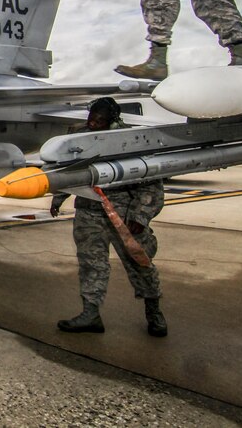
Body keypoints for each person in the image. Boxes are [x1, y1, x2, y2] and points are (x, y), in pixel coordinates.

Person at [50, 97, 168, 337]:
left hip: (124, 217)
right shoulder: (81, 139)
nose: (93, 124)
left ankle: (154, 313)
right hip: (89, 212)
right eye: (91, 119)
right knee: (91, 264)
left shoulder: (130, 141)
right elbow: (70, 172)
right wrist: (58, 199)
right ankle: (90, 314)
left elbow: (151, 182)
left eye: (99, 121)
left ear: (114, 122)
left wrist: (140, 216)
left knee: (140, 263)